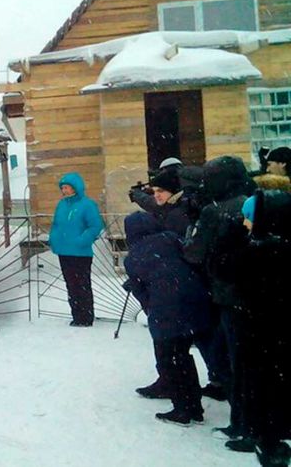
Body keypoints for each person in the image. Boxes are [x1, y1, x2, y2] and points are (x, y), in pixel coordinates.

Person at [183, 156, 256, 449]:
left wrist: (194, 224)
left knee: (232, 358)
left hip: (227, 292)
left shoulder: (216, 211)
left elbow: (194, 252)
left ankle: (243, 421)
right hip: (257, 291)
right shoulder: (252, 201)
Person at [216, 192, 291, 466]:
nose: (245, 223)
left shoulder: (259, 252)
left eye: (249, 218)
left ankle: (269, 448)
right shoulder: (275, 247)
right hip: (272, 341)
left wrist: (230, 235)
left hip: (262, 341)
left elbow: (221, 267)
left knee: (265, 400)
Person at [123, 212, 210, 425]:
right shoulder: (172, 238)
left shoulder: (133, 257)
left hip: (168, 310)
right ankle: (194, 408)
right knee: (183, 355)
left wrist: (152, 310)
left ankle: (183, 410)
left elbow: (143, 295)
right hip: (197, 300)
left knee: (170, 358)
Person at [48, 173, 104, 327]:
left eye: (67, 187)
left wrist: (82, 240)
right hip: (64, 251)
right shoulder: (62, 205)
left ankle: (86, 317)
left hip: (80, 253)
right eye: (63, 188)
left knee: (82, 284)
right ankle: (76, 315)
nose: (64, 190)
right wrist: (53, 239)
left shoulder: (87, 204)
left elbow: (95, 226)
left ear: (75, 188)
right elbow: (56, 225)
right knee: (71, 284)